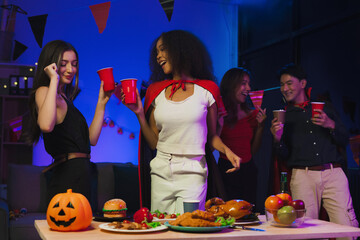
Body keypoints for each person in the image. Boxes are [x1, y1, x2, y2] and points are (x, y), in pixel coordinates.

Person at [122, 30, 240, 213]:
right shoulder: (155, 91)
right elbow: (154, 142)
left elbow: (211, 136)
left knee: (188, 226)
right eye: (157, 52)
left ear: (179, 49)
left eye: (163, 50)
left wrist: (227, 151)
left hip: (193, 171)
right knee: (161, 229)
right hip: (161, 169)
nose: (158, 56)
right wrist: (139, 113)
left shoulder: (208, 90)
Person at [270, 63, 358, 231]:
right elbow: (283, 156)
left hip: (333, 173)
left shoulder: (325, 108)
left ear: (302, 83)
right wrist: (277, 139)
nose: (285, 88)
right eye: (282, 84)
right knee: (306, 230)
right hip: (303, 175)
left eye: (289, 83)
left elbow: (344, 139)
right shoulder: (284, 116)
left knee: (347, 227)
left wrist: (330, 124)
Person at [23, 40, 111, 205]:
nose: (71, 69)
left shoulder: (65, 98)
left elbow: (91, 140)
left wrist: (102, 103)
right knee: (69, 224)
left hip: (82, 172)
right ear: (51, 66)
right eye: (64, 64)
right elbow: (45, 125)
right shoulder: (44, 91)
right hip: (67, 175)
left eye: (74, 64)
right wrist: (53, 81)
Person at [218, 67, 266, 208]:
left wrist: (261, 127)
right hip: (227, 169)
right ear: (231, 85)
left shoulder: (252, 114)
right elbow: (211, 140)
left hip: (248, 170)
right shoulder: (220, 113)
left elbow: (253, 151)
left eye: (249, 84)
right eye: (243, 83)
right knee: (227, 214)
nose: (248, 88)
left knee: (248, 214)